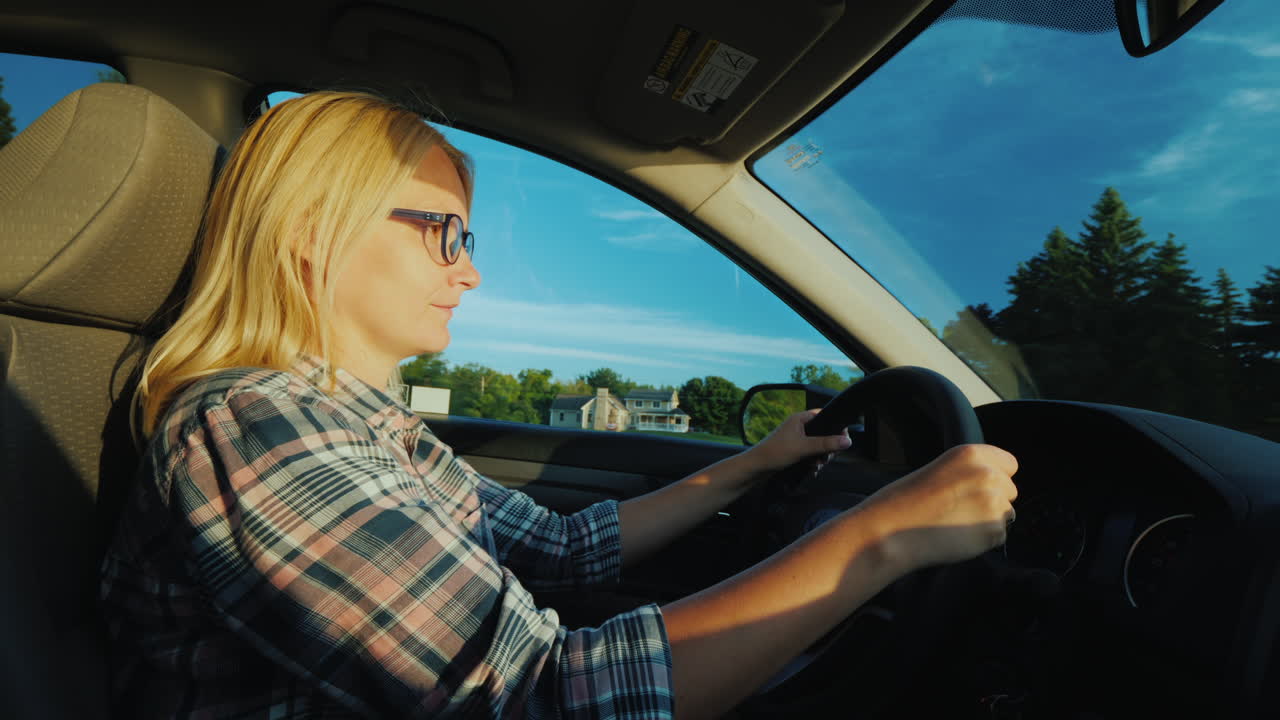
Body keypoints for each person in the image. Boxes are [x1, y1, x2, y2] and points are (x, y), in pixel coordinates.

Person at [100, 90, 1018, 720]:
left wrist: (757, 463)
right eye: (444, 233)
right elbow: (540, 697)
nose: (470, 272)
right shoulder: (256, 429)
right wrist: (877, 539)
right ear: (312, 233)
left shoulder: (359, 423)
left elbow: (560, 550)